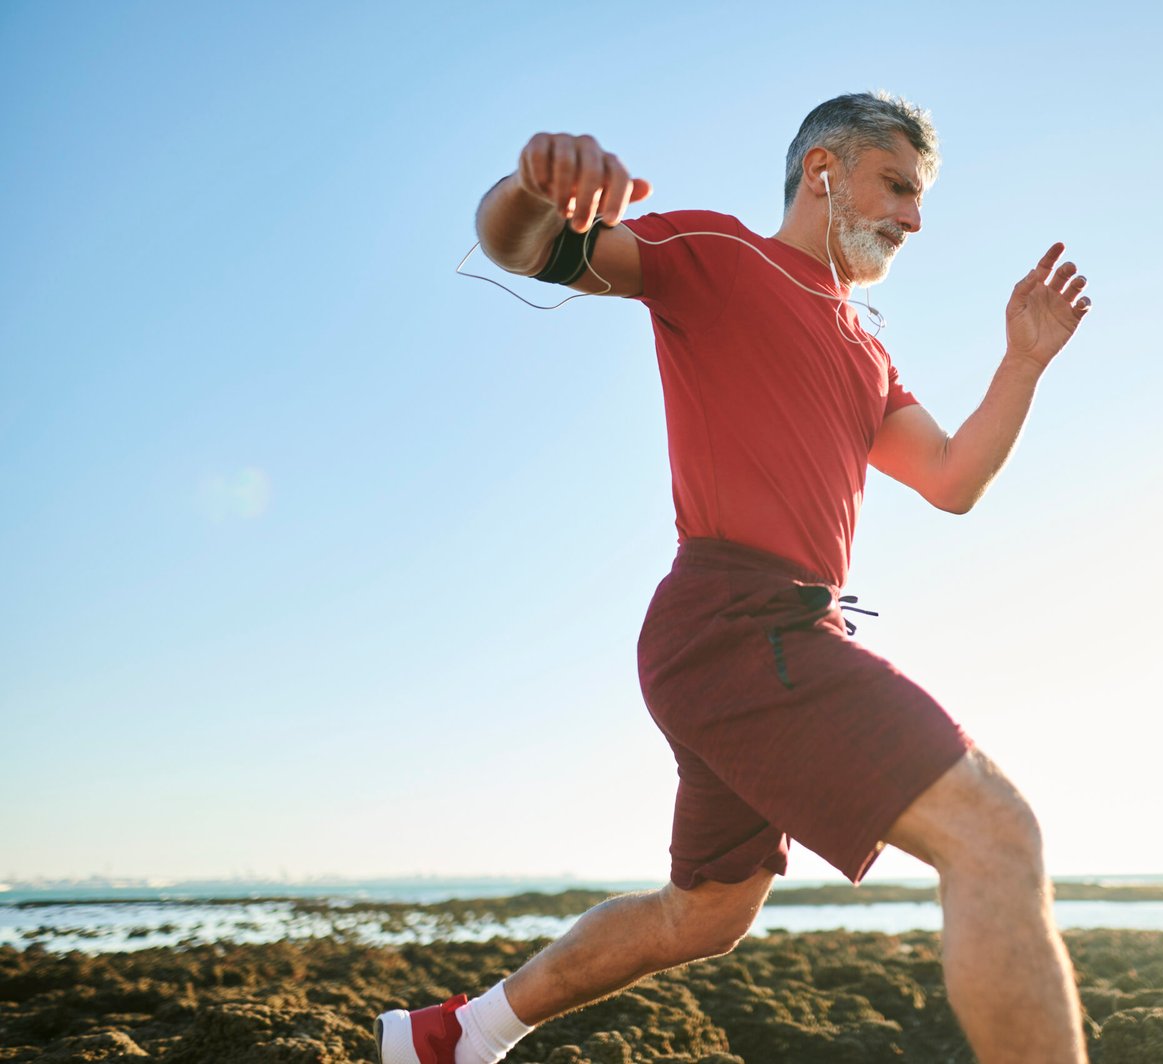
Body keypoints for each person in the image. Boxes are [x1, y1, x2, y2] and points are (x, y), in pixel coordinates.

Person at [376, 91, 1093, 1064]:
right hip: (738, 621)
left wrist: (1022, 362)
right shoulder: (722, 253)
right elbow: (525, 247)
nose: (914, 218)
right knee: (995, 833)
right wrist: (532, 185)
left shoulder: (868, 350)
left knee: (705, 915)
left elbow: (954, 479)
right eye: (897, 185)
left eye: (921, 199)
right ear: (823, 171)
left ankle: (455, 1035)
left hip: (758, 640)